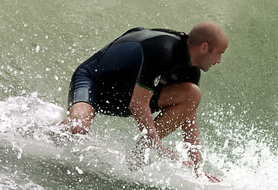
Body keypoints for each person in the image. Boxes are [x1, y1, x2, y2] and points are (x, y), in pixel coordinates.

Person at [60, 22, 229, 181]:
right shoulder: (164, 49)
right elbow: (138, 105)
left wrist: (197, 169)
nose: (219, 61)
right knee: (77, 128)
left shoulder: (191, 70)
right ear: (204, 47)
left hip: (125, 94)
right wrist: (160, 150)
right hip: (94, 83)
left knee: (192, 94)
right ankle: (39, 135)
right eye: (219, 53)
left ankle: (139, 154)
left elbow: (189, 115)